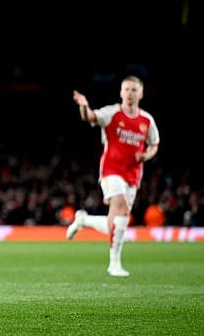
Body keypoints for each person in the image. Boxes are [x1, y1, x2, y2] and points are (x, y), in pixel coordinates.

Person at [67, 75, 160, 277]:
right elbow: (89, 117)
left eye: (134, 90)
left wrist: (146, 155)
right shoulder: (112, 113)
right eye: (126, 89)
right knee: (122, 207)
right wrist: (84, 106)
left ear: (141, 93)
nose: (130, 93)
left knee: (114, 223)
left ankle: (84, 221)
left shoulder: (147, 120)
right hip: (111, 170)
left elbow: (154, 143)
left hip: (133, 175)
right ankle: (114, 264)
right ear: (120, 92)